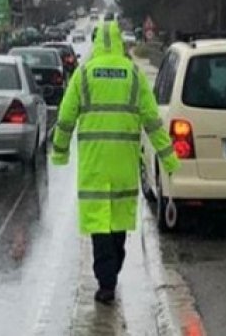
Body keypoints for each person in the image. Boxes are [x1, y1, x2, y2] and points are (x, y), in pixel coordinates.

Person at [51, 20, 180, 305]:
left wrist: (59, 152)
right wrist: (169, 159)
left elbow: (66, 116)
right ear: (120, 42)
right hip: (123, 166)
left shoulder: (84, 74)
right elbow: (152, 122)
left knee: (100, 227)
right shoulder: (133, 74)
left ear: (97, 42)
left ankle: (106, 282)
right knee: (118, 225)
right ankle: (112, 272)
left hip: (95, 167)